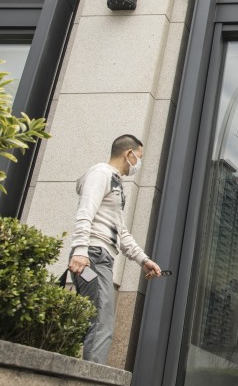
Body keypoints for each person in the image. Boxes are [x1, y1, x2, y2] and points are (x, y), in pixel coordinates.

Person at [68, 134, 162, 364]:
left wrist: (143, 260)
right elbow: (85, 212)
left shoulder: (116, 183)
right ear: (128, 154)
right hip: (92, 256)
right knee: (102, 321)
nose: (138, 163)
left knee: (95, 319)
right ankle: (93, 378)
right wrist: (80, 249)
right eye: (138, 157)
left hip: (101, 258)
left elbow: (120, 231)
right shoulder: (101, 174)